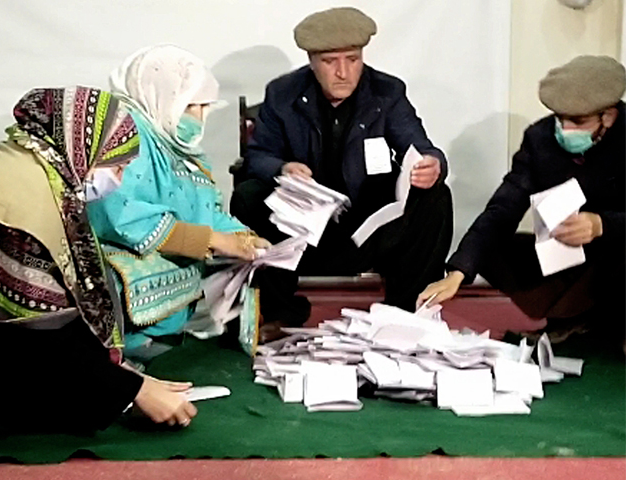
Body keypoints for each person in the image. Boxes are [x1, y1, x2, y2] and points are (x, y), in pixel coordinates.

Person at [0, 86, 198, 432]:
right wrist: (134, 390)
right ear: (84, 149)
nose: (120, 179)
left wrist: (119, 376)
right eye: (118, 166)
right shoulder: (22, 202)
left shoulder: (36, 169)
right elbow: (37, 338)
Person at [231, 7, 453, 335]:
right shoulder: (283, 93)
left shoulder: (387, 92)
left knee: (435, 195)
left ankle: (403, 312)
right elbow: (258, 156)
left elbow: (422, 147)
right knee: (250, 195)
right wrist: (283, 168)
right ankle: (281, 311)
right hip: (305, 227)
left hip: (367, 222)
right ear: (311, 61)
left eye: (352, 59)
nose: (343, 72)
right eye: (330, 62)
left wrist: (433, 165)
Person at [417, 55, 625, 344]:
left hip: (616, 254)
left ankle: (610, 322)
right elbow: (504, 207)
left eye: (577, 121)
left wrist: (603, 225)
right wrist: (458, 272)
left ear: (609, 116)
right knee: (494, 248)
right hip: (568, 254)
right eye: (559, 118)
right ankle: (572, 320)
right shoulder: (540, 139)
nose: (565, 130)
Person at [87, 45, 269, 359]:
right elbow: (117, 213)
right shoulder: (123, 134)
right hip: (112, 256)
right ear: (161, 96)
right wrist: (212, 240)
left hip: (164, 254)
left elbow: (204, 209)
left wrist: (244, 238)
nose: (199, 119)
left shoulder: (180, 150)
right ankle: (117, 355)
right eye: (189, 107)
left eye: (204, 108)